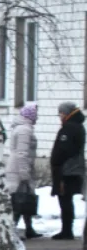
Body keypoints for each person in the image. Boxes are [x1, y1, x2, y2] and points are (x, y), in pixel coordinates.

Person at [49, 101, 85, 240]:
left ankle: (67, 230)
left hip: (67, 169)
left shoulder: (69, 128)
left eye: (61, 113)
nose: (60, 116)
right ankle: (66, 229)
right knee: (66, 199)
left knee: (65, 198)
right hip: (72, 167)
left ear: (66, 113)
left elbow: (64, 149)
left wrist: (56, 162)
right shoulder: (77, 126)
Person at [6, 102, 39, 239]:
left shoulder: (22, 128)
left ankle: (29, 228)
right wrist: (24, 173)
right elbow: (22, 153)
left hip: (19, 168)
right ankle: (12, 230)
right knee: (20, 200)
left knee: (25, 199)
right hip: (19, 170)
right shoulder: (24, 130)